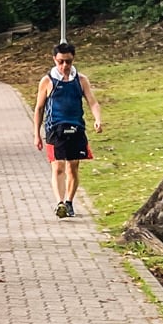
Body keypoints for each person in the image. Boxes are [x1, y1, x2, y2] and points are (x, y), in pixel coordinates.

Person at [33, 41, 103, 218]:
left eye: (68, 62)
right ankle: (59, 203)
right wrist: (37, 135)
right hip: (54, 129)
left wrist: (98, 120)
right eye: (61, 61)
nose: (65, 65)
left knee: (73, 167)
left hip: (76, 128)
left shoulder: (81, 80)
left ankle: (70, 202)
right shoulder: (48, 81)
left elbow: (92, 102)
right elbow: (39, 108)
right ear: (54, 60)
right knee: (57, 167)